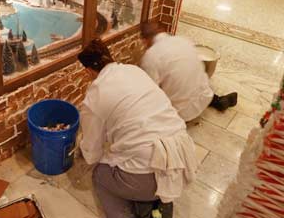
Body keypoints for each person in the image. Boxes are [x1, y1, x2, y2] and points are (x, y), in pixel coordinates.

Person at [78, 39, 197, 218]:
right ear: (109, 57)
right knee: (137, 164)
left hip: (149, 173)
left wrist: (82, 145)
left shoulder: (96, 94)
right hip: (181, 158)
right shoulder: (134, 71)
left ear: (88, 71)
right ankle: (155, 203)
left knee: (101, 175)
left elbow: (92, 153)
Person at [140, 22, 237, 122]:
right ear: (162, 30)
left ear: (145, 40)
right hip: (204, 98)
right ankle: (218, 101)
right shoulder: (182, 40)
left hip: (180, 114)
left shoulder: (151, 56)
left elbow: (151, 91)